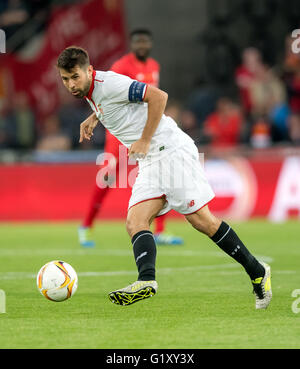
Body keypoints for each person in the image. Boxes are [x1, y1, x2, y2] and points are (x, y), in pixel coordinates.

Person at [56, 46, 272, 309]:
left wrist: (145, 139)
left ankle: (257, 270)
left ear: (89, 70)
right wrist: (94, 117)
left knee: (202, 221)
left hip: (170, 150)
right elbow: (113, 104)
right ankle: (146, 280)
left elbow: (158, 96)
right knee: (135, 221)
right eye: (65, 79)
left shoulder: (110, 83)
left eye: (75, 77)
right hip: (150, 160)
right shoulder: (92, 90)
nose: (70, 84)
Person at [78, 29, 183, 247]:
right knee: (107, 177)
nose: (142, 45)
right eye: (138, 42)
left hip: (145, 129)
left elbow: (152, 96)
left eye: (145, 41)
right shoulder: (121, 67)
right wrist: (95, 116)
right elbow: (107, 96)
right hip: (120, 133)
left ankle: (160, 231)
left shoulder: (154, 66)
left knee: (162, 172)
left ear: (150, 44)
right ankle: (86, 226)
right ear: (132, 44)